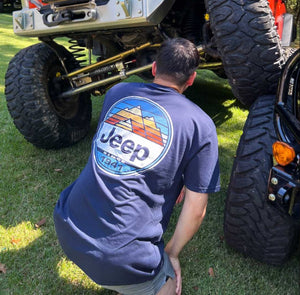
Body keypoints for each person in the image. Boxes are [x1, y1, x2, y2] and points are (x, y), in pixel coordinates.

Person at [53, 37, 220, 295]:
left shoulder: (117, 93)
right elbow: (197, 210)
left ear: (154, 68)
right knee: (168, 287)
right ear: (191, 79)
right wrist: (172, 253)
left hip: (68, 226)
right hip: (121, 261)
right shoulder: (201, 125)